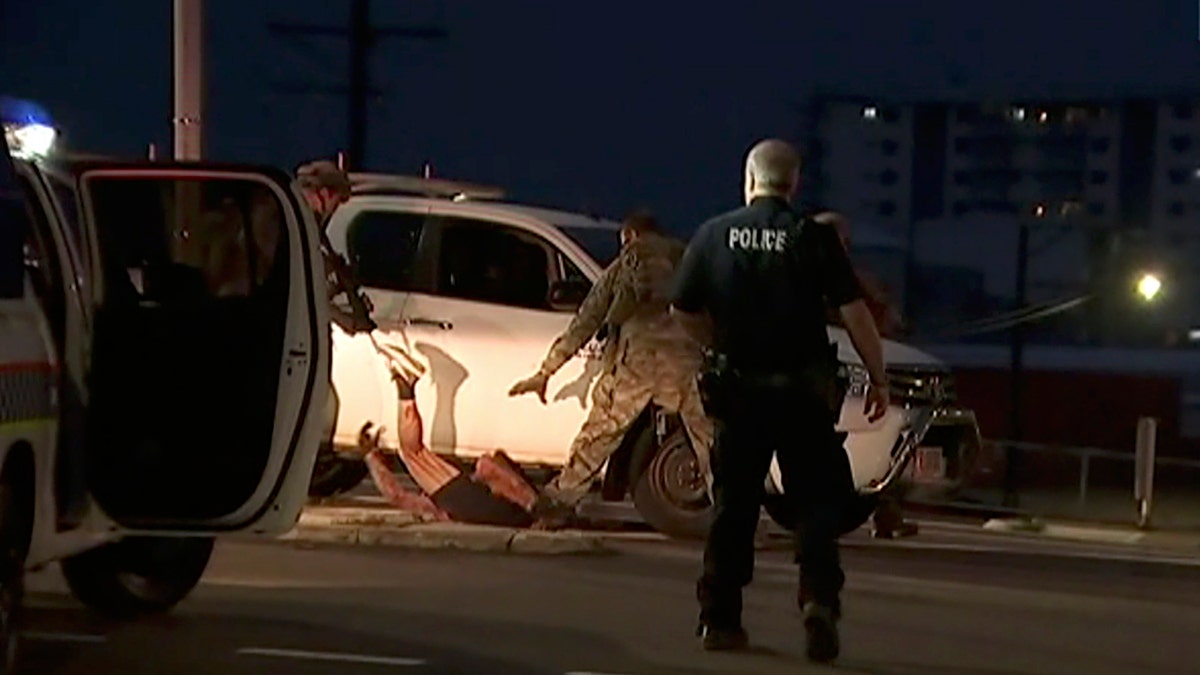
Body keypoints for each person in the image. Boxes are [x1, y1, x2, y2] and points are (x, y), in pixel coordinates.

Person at [669, 139, 890, 663]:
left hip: (739, 392)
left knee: (733, 508)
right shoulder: (812, 238)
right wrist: (878, 379)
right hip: (803, 396)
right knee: (817, 504)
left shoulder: (713, 234)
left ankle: (720, 619)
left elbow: (682, 307)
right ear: (793, 185)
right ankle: (818, 601)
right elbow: (856, 314)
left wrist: (715, 343)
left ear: (750, 179)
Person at [509, 210, 714, 529]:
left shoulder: (626, 264)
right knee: (709, 441)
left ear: (630, 236)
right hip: (688, 364)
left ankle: (559, 502)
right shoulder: (688, 258)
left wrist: (545, 372)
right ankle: (737, 518)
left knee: (601, 432)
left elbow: (586, 321)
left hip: (637, 363)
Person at [812, 210, 918, 540]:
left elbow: (883, 320)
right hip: (835, 375)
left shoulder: (855, 279)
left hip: (850, 373)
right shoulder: (836, 278)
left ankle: (881, 511)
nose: (845, 246)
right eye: (841, 240)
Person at [359, 342, 540, 526]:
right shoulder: (443, 505)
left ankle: (407, 384)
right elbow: (396, 495)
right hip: (472, 504)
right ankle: (406, 384)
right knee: (413, 454)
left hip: (478, 504)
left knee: (414, 454)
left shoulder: (439, 506)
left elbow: (397, 495)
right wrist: (371, 457)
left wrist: (371, 458)